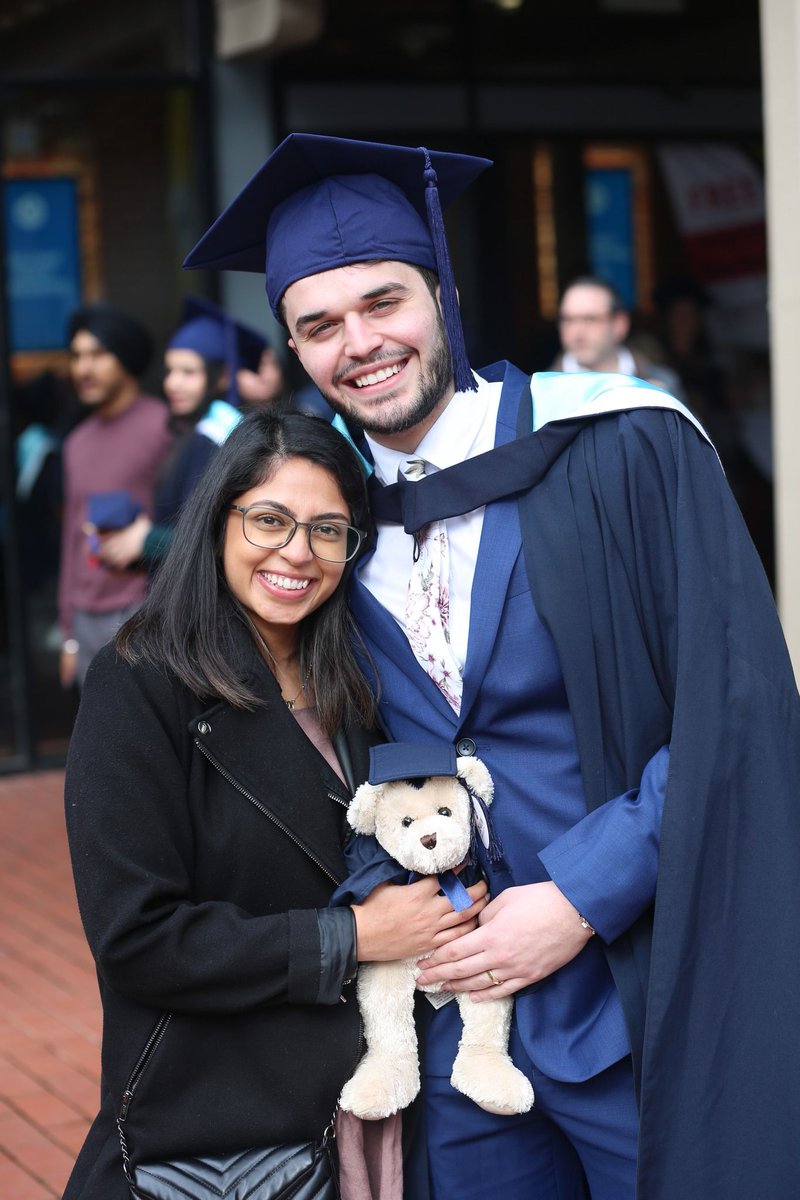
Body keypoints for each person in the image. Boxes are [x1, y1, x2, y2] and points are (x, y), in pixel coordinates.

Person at [183, 133, 800, 1200]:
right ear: (292, 345)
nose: (360, 344)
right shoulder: (323, 522)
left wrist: (577, 895)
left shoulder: (622, 448)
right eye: (319, 325)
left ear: (445, 292)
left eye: (383, 302)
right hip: (453, 1046)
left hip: (639, 994)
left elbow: (737, 704)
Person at [62, 407, 487, 1200]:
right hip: (230, 1120)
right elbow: (136, 937)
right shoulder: (141, 682)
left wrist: (454, 897)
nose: (297, 552)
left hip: (373, 1103)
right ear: (217, 520)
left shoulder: (358, 678)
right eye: (269, 520)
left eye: (328, 530)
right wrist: (352, 937)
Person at [59, 302, 172, 688]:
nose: (83, 368)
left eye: (97, 354)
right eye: (77, 356)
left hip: (142, 609)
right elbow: (72, 537)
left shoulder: (163, 427)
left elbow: (190, 517)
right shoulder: (76, 442)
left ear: (124, 356)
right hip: (84, 617)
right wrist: (68, 634)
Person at [97, 295, 252, 571]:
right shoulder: (192, 434)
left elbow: (215, 535)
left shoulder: (216, 440)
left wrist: (147, 540)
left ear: (221, 377)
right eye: (170, 371)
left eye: (188, 372)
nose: (172, 383)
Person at [553, 274, 684, 398]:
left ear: (620, 324)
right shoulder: (544, 392)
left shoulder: (662, 384)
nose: (577, 331)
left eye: (590, 319)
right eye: (567, 320)